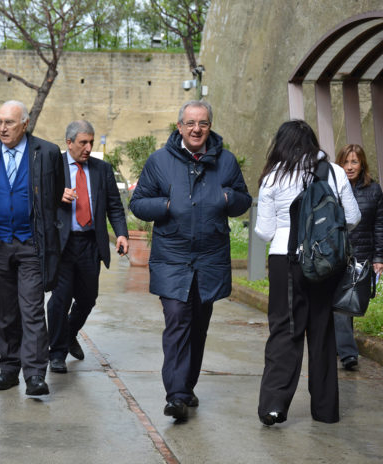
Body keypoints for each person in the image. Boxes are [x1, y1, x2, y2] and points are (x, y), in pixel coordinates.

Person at [129, 100, 251, 421]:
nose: (197, 129)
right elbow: (138, 203)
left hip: (210, 258)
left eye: (203, 123)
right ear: (180, 127)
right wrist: (167, 204)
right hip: (172, 257)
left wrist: (227, 198)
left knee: (198, 325)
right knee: (177, 320)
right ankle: (177, 394)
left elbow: (243, 199)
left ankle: (187, 385)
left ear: (210, 126)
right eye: (190, 123)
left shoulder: (225, 162)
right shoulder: (159, 161)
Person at [255, 120, 360, 426]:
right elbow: (351, 217)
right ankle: (326, 411)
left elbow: (264, 231)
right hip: (326, 263)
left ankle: (274, 406)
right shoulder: (335, 172)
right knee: (323, 332)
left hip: (285, 261)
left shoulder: (274, 176)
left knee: (285, 332)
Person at [0, 100, 64, 396]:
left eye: (9, 123)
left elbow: (53, 199)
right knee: (4, 311)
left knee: (32, 310)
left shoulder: (47, 153)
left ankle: (35, 374)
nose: (2, 128)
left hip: (31, 245)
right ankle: (9, 368)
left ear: (25, 124)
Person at [47, 120, 128, 373]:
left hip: (90, 244)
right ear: (69, 143)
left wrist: (122, 234)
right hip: (62, 244)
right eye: (83, 142)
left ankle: (70, 333)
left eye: (91, 142)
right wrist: (55, 195)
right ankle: (57, 353)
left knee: (87, 298)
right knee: (59, 300)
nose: (88, 147)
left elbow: (114, 206)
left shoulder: (102, 169)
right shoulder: (53, 165)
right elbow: (36, 198)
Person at [333, 144, 383, 370]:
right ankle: (348, 353)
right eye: (346, 162)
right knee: (342, 307)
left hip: (362, 256)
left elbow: (380, 226)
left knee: (351, 303)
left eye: (354, 162)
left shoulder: (374, 190)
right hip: (337, 256)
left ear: (362, 163)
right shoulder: (332, 187)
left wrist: (379, 257)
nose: (350, 167)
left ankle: (337, 345)